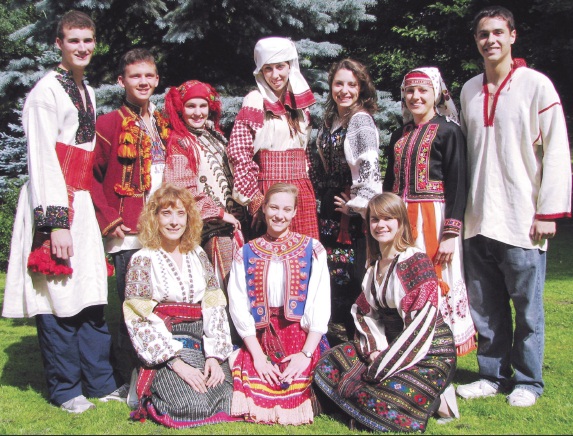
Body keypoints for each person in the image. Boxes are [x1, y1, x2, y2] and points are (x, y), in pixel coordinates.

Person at [2, 11, 120, 413]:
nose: (82, 48)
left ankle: (100, 381)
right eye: (74, 41)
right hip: (55, 200)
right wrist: (55, 224)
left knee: (89, 294)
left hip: (82, 200)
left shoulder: (83, 88)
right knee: (57, 297)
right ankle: (66, 388)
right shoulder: (45, 92)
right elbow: (42, 159)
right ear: (59, 44)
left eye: (88, 40)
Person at [456, 6, 571, 407]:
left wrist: (548, 211)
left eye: (498, 32)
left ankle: (528, 382)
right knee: (485, 308)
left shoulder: (536, 86)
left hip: (523, 218)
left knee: (528, 311)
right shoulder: (468, 90)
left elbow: (556, 150)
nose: (491, 40)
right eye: (483, 34)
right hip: (478, 218)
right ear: (476, 41)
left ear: (513, 36)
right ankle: (491, 374)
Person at [313, 193, 458, 432]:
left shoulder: (416, 262)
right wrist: (373, 350)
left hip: (426, 351)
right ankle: (365, 402)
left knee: (385, 396)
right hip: (388, 346)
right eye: (374, 220)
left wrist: (383, 364)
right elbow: (363, 312)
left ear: (400, 223)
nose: (380, 225)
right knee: (332, 362)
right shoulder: (374, 267)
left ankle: (430, 397)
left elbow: (420, 328)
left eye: (388, 219)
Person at [124, 183, 236, 428]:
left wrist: (215, 357)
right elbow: (138, 316)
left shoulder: (197, 254)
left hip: (201, 343)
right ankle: (146, 382)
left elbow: (214, 304)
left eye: (180, 213)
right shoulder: (142, 259)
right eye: (166, 213)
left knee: (227, 396)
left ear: (189, 218)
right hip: (166, 348)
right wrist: (177, 364)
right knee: (188, 404)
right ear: (154, 218)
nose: (174, 222)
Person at [383, 67, 476, 356]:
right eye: (410, 90)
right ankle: (408, 340)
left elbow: (458, 183)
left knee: (437, 273)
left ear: (436, 93)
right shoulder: (399, 134)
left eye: (423, 90)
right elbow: (389, 182)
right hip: (402, 219)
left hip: (435, 218)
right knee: (405, 274)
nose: (415, 96)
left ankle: (441, 345)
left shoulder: (449, 131)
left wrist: (450, 232)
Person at [92, 48, 169, 386]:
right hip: (128, 231)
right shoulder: (108, 124)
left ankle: (159, 367)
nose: (143, 82)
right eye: (135, 76)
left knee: (161, 300)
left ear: (157, 80)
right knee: (131, 304)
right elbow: (89, 177)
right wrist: (108, 218)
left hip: (165, 227)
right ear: (121, 80)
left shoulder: (163, 122)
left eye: (148, 75)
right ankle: (127, 375)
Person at [227, 183, 331, 425]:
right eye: (273, 207)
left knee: (302, 382)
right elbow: (239, 306)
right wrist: (258, 357)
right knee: (260, 380)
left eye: (286, 209)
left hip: (302, 336)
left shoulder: (313, 249)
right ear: (263, 209)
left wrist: (306, 354)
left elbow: (320, 302)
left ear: (295, 212)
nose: (279, 215)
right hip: (261, 337)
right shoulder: (245, 253)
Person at [309, 58, 382, 338]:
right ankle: (334, 336)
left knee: (351, 274)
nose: (344, 90)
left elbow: (369, 164)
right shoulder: (330, 120)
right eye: (339, 83)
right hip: (329, 207)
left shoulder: (360, 120)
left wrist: (356, 205)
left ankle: (356, 338)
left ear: (361, 88)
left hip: (348, 215)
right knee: (331, 273)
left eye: (352, 84)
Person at [228, 37, 319, 239]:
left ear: (290, 67)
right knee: (269, 257)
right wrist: (254, 198)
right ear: (261, 71)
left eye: (280, 67)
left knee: (302, 256)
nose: (275, 75)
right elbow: (238, 152)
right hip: (268, 189)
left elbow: (305, 155)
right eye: (268, 69)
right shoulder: (255, 100)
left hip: (301, 191)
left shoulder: (301, 105)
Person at [163, 80, 245, 288]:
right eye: (191, 106)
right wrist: (218, 213)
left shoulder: (215, 136)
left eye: (203, 106)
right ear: (181, 109)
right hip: (212, 230)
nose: (198, 112)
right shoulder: (180, 142)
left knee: (242, 285)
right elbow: (181, 189)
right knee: (225, 285)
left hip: (235, 226)